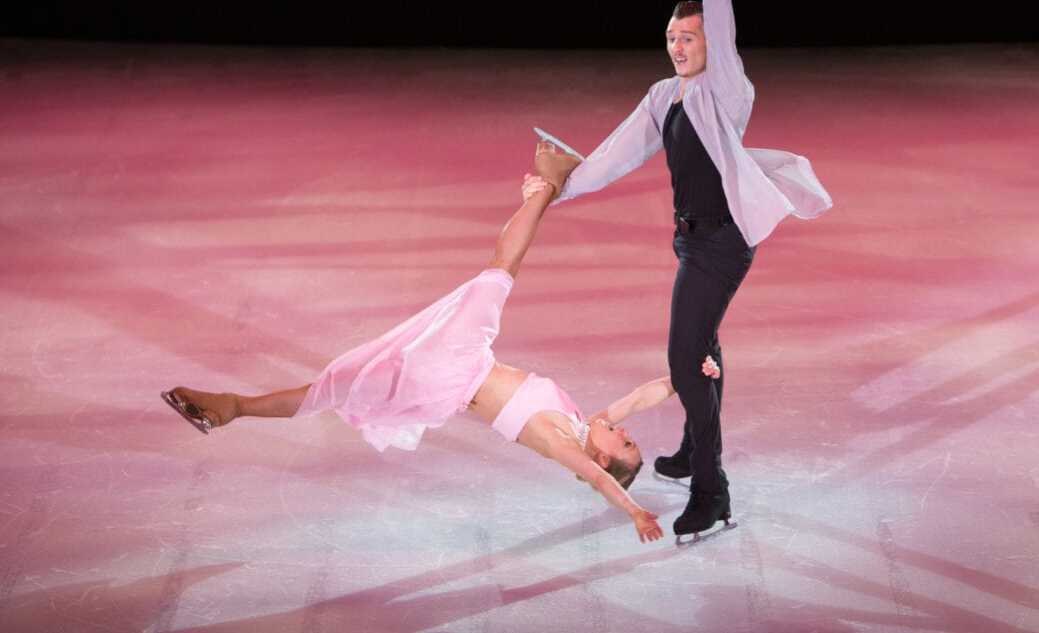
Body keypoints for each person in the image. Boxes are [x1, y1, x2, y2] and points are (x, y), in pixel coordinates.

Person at [160, 146, 719, 544]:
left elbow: (598, 479)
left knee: (500, 271)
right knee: (332, 388)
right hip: (451, 376)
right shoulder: (582, 420)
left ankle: (544, 186)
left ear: (599, 456)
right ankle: (233, 407)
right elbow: (646, 396)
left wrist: (636, 512)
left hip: (459, 368)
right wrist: (691, 374)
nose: (622, 432)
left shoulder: (562, 443)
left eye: (623, 444)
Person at [535, 0, 832, 540]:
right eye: (670, 36)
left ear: (709, 43)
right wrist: (563, 187)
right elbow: (616, 153)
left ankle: (712, 489)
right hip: (689, 240)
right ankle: (694, 454)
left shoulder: (724, 90)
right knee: (703, 357)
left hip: (722, 244)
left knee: (681, 359)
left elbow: (720, 18)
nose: (678, 45)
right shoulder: (664, 96)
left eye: (688, 37)